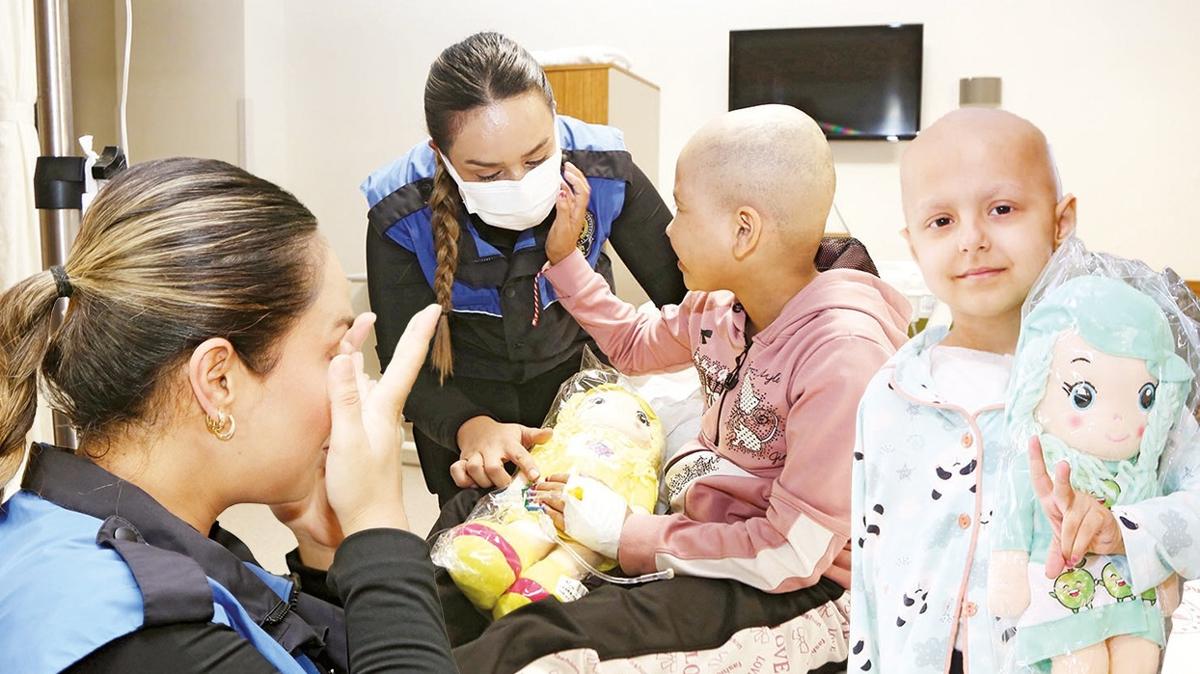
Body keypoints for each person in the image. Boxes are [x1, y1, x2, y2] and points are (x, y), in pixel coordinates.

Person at [443, 104, 909, 674]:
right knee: (480, 513)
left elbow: (793, 550)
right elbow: (635, 344)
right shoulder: (720, 308)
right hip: (710, 532)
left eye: (682, 209)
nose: (667, 229)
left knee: (544, 640)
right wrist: (564, 261)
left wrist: (627, 534)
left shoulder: (842, 356)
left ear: (744, 230)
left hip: (800, 582)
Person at [0, 158, 456, 673]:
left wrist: (327, 549)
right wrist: (379, 524)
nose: (350, 384)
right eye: (333, 354)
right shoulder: (151, 640)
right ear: (218, 382)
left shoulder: (112, 533)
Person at [849, 108, 1200, 673]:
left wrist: (1127, 531)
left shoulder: (1126, 373)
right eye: (940, 221)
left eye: (1002, 209)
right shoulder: (892, 394)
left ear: (1061, 222)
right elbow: (869, 570)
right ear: (912, 244)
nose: (972, 240)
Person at [361, 32, 687, 505]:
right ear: (440, 155)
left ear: (555, 120)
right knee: (479, 548)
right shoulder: (401, 210)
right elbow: (404, 361)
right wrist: (470, 429)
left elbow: (693, 302)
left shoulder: (603, 168)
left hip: (584, 395)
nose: (519, 182)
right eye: (488, 175)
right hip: (464, 412)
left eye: (537, 158)